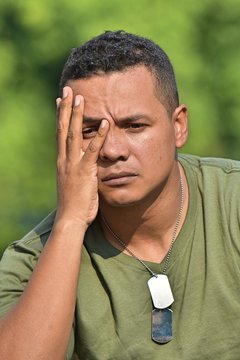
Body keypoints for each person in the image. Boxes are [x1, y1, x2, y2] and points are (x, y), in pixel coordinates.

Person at [0, 30, 240, 360]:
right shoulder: (32, 259)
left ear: (179, 126)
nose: (112, 150)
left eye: (134, 126)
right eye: (89, 131)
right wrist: (70, 222)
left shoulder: (232, 202)